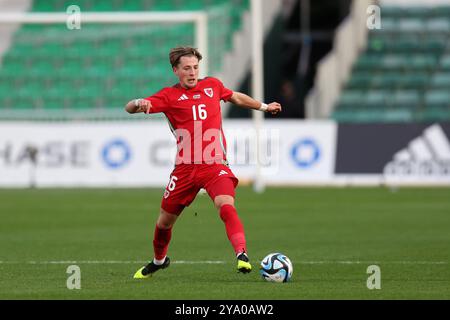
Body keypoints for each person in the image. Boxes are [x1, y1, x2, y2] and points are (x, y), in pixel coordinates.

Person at [125, 46, 282, 279]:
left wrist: (263, 106)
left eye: (195, 67)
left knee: (226, 204)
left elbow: (236, 97)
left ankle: (242, 255)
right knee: (164, 223)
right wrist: (140, 102)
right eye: (187, 68)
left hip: (214, 164)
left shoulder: (212, 85)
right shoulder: (168, 96)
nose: (192, 72)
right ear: (176, 70)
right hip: (185, 169)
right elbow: (129, 108)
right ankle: (159, 261)